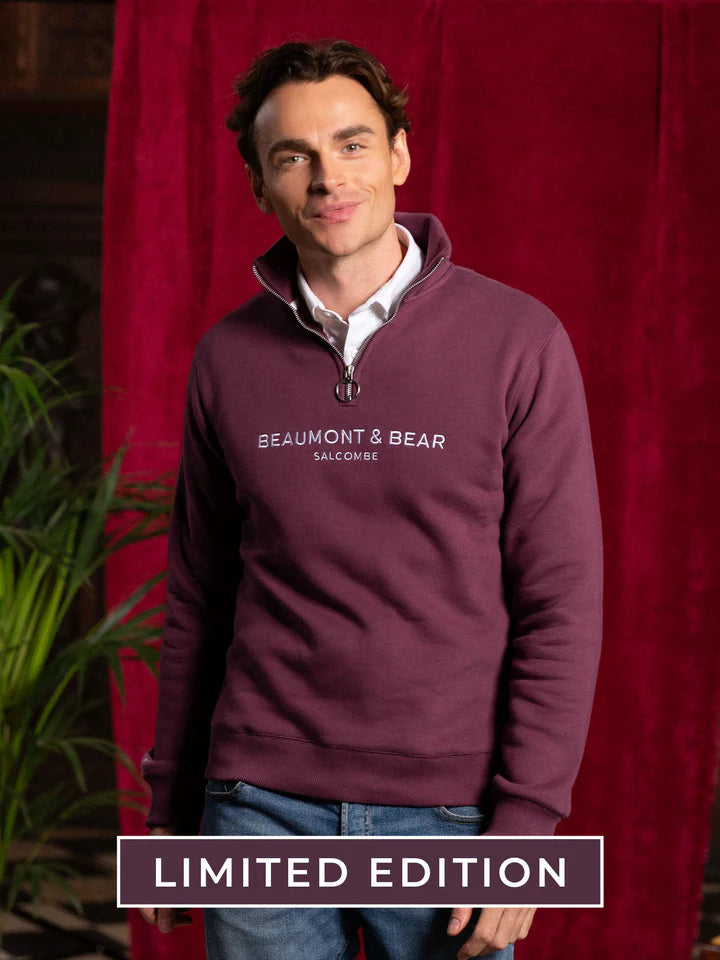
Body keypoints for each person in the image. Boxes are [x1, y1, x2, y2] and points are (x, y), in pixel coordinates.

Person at [138, 37, 604, 960]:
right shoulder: (226, 358)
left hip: (453, 812)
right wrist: (172, 807)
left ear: (398, 154)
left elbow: (561, 601)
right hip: (257, 803)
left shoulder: (519, 341)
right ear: (259, 185)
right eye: (293, 156)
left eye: (352, 144)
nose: (327, 178)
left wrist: (526, 822)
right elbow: (199, 596)